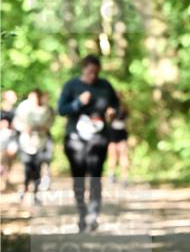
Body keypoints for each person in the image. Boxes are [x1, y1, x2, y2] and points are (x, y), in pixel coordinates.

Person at [57, 55, 119, 232]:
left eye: (96, 72)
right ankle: (81, 213)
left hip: (98, 137)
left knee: (95, 175)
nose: (93, 75)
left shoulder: (105, 85)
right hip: (75, 138)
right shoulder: (71, 85)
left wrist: (112, 112)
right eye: (90, 72)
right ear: (84, 69)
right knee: (78, 177)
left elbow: (116, 105)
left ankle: (93, 214)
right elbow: (61, 110)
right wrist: (78, 102)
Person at [13, 89, 55, 202]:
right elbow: (17, 122)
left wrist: (44, 128)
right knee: (27, 167)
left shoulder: (46, 109)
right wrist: (25, 129)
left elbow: (51, 122)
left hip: (41, 142)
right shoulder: (23, 108)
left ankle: (36, 193)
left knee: (38, 167)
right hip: (26, 142)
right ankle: (26, 188)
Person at [107, 93, 130, 185]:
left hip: (120, 135)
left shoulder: (122, 109)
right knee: (113, 156)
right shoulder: (111, 109)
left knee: (122, 156)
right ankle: (112, 174)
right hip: (113, 135)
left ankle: (124, 177)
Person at [0, 90, 18, 191]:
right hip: (2, 136)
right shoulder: (1, 110)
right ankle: (4, 180)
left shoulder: (15, 111)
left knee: (11, 157)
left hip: (12, 136)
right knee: (3, 159)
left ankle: (6, 178)